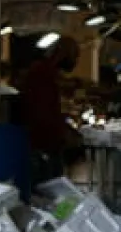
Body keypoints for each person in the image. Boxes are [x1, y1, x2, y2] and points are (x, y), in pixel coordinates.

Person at [16, 35, 81, 183]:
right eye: (75, 56)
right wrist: (62, 132)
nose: (76, 61)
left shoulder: (45, 73)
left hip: (44, 144)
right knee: (49, 190)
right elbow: (42, 113)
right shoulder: (42, 74)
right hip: (42, 147)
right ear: (63, 53)